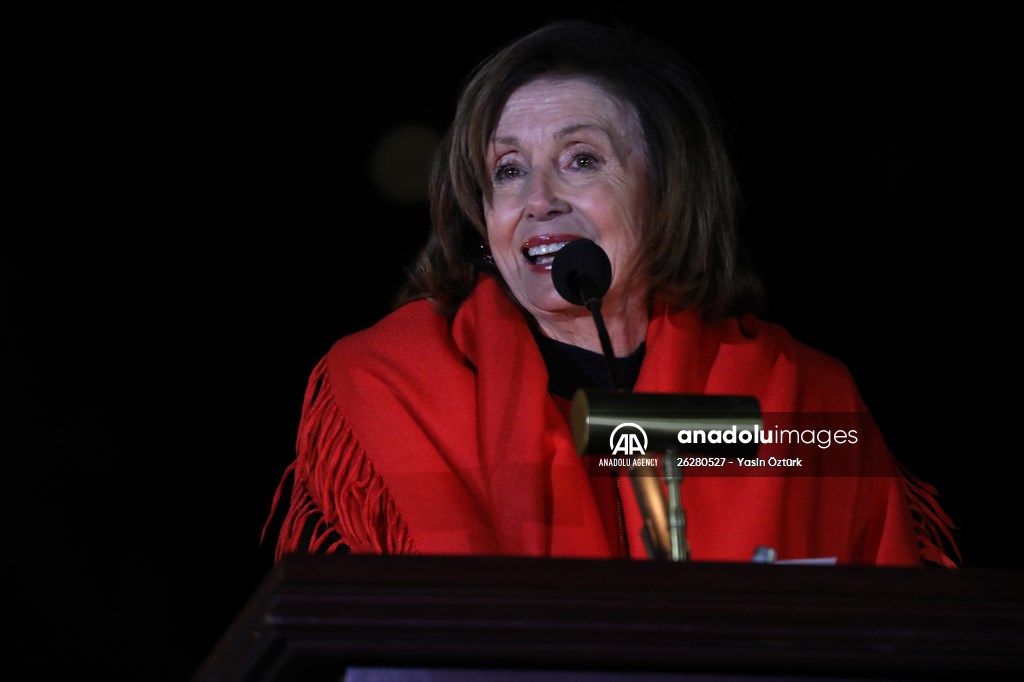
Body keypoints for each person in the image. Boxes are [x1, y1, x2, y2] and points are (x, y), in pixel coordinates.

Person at [264, 19, 958, 567]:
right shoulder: (394, 384)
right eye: (508, 170)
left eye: (582, 160)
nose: (538, 200)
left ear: (668, 190)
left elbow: (888, 633)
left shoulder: (802, 400)